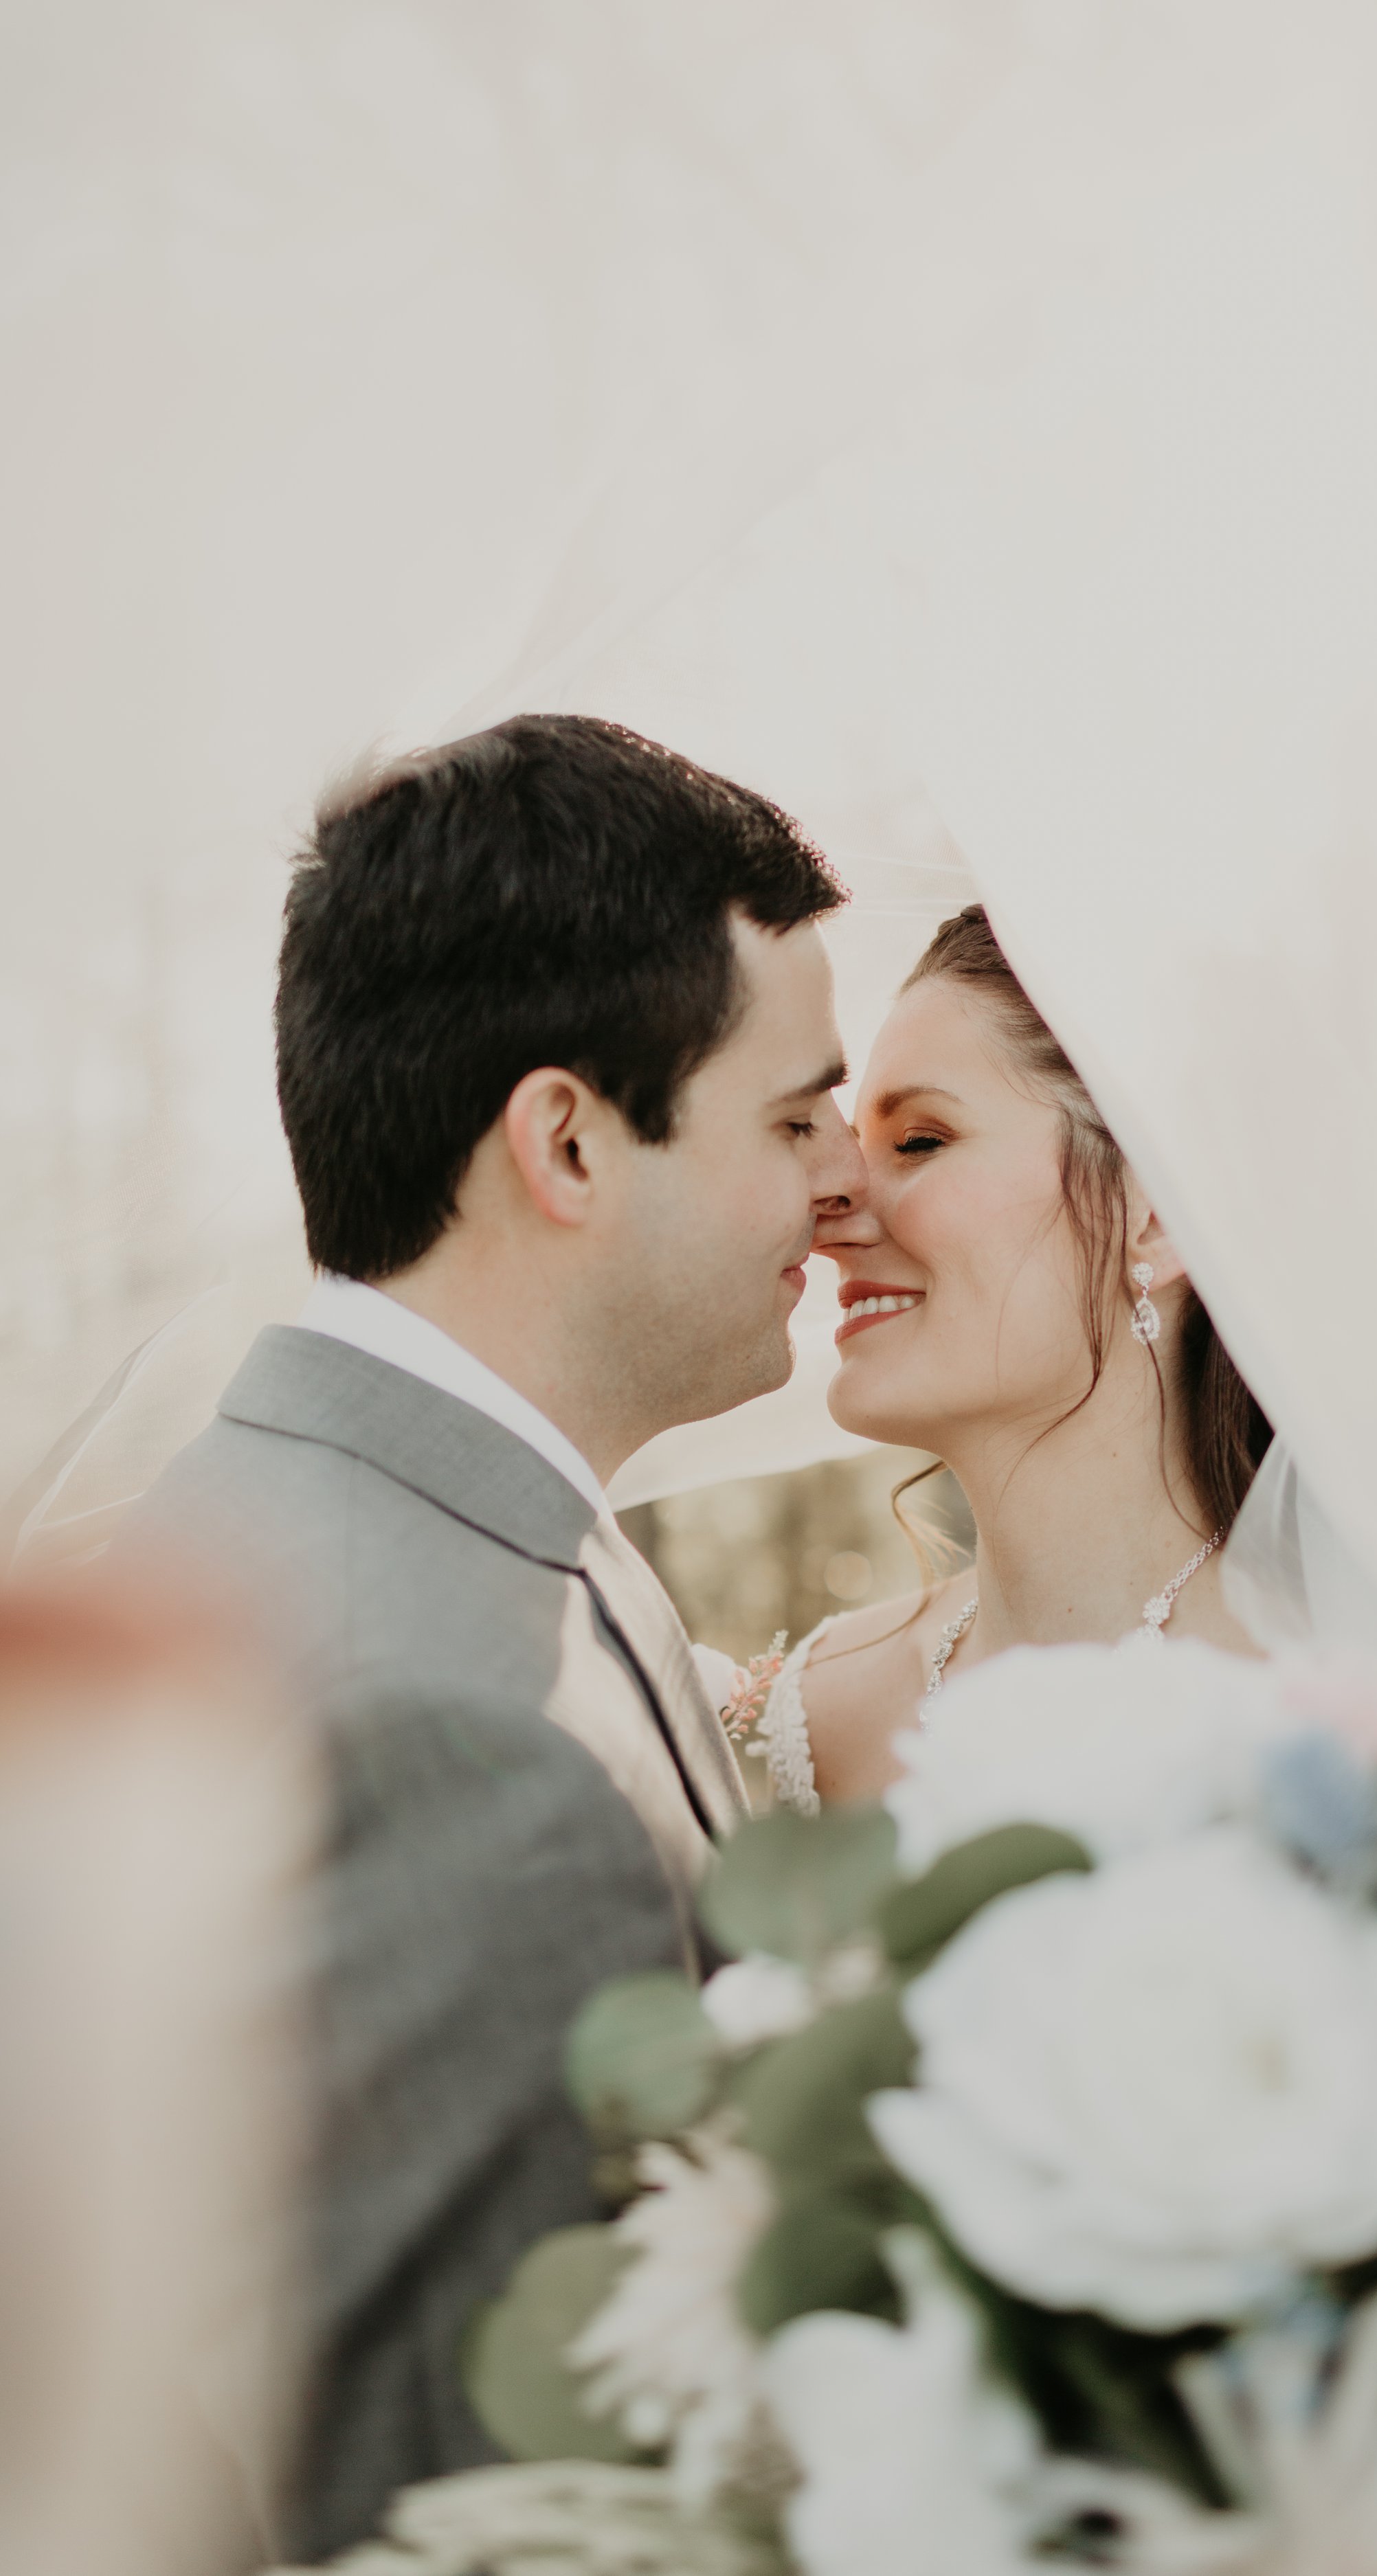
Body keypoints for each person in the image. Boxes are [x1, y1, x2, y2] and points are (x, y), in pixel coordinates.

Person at [120, 713, 864, 2562]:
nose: (842, 1181)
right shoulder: (464, 1745)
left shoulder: (305, 1506)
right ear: (567, 1140)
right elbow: (488, 2510)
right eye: (793, 1116)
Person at [760, 904, 1270, 1814]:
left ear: (1151, 1218)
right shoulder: (819, 1717)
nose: (828, 1208)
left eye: (919, 1140)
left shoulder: (1336, 1701)